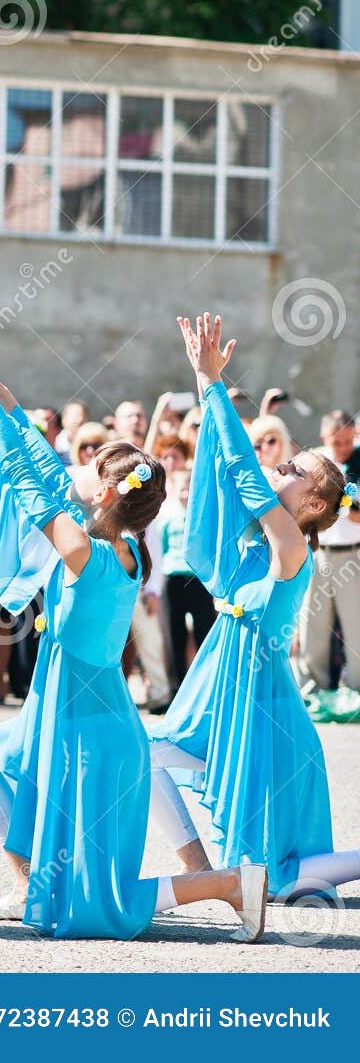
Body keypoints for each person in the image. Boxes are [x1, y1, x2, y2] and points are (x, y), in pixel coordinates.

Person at [0, 320, 266, 941]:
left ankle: (228, 882)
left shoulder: (85, 550)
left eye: (87, 464)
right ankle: (31, 880)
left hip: (89, 736)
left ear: (107, 491)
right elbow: (36, 457)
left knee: (96, 902)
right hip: (74, 721)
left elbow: (31, 483)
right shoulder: (124, 547)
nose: (73, 466)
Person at [149, 315, 360, 899]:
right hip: (225, 693)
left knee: (279, 876)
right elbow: (223, 463)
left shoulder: (288, 545)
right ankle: (198, 867)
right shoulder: (257, 544)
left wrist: (211, 383)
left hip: (262, 713)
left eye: (294, 471)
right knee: (145, 759)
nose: (282, 468)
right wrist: (204, 382)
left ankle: (212, 873)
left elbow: (242, 474)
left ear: (314, 500)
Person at [296, 409, 360, 691]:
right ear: (324, 436)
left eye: (348, 441)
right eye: (338, 442)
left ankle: (356, 689)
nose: (343, 448)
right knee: (313, 622)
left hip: (352, 555)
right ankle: (313, 688)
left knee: (356, 626)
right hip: (318, 551)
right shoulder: (313, 464)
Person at [153, 434, 214, 712]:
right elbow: (161, 548)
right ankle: (177, 693)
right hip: (172, 579)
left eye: (191, 488)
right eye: (183, 488)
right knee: (173, 637)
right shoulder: (168, 517)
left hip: (198, 579)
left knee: (204, 634)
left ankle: (206, 691)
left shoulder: (202, 517)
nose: (187, 493)